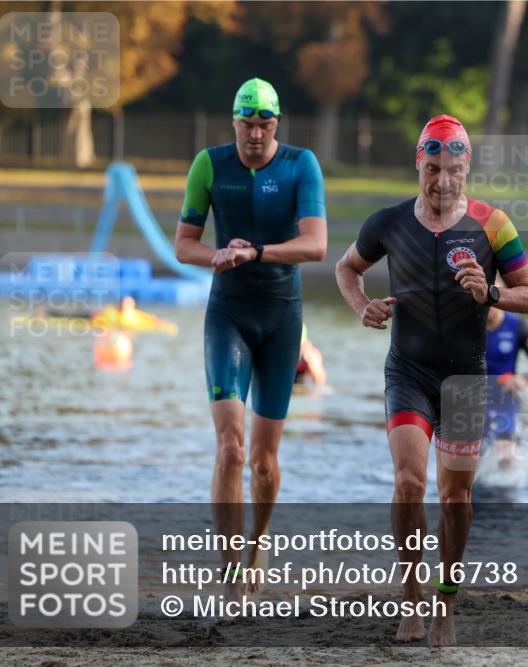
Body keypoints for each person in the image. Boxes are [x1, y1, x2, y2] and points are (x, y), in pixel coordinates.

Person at [335, 114, 528, 646]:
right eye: (432, 169)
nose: (442, 181)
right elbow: (346, 268)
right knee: (409, 482)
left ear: (467, 167)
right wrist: (362, 307)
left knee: (455, 498)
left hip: (465, 377)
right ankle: (411, 599)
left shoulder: (493, 225)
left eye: (453, 170)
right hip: (407, 370)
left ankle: (445, 605)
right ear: (418, 165)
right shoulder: (387, 223)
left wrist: (491, 293)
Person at [174, 78, 327, 596]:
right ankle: (231, 571)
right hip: (229, 316)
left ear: (276, 124)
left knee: (263, 461)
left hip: (282, 319)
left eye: (265, 124)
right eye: (247, 124)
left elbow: (316, 245)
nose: (256, 134)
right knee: (231, 449)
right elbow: (184, 245)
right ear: (234, 122)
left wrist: (256, 252)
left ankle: (257, 543)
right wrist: (216, 255)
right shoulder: (210, 165)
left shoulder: (300, 165)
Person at [484, 304, 528, 467]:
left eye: (491, 303)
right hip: (475, 400)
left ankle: (509, 481)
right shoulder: (468, 325)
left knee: (505, 456)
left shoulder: (518, 326)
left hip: (505, 400)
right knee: (473, 459)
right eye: (483, 303)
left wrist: (524, 379)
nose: (487, 308)